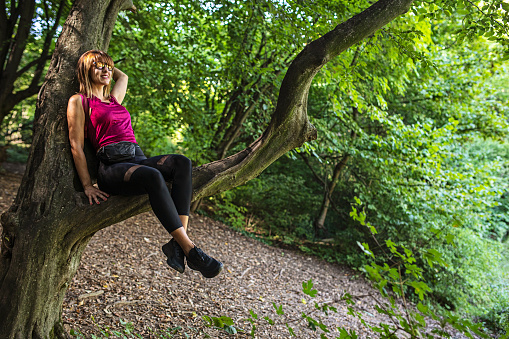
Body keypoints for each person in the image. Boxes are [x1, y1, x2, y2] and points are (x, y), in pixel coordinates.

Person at [67, 50, 222, 278]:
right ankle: (190, 250)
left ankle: (177, 246)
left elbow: (124, 77)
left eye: (108, 66)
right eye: (98, 66)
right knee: (152, 176)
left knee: (182, 163)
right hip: (112, 168)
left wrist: (104, 61)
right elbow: (76, 146)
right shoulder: (79, 101)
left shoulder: (113, 100)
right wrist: (88, 185)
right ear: (86, 70)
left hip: (136, 158)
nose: (106, 70)